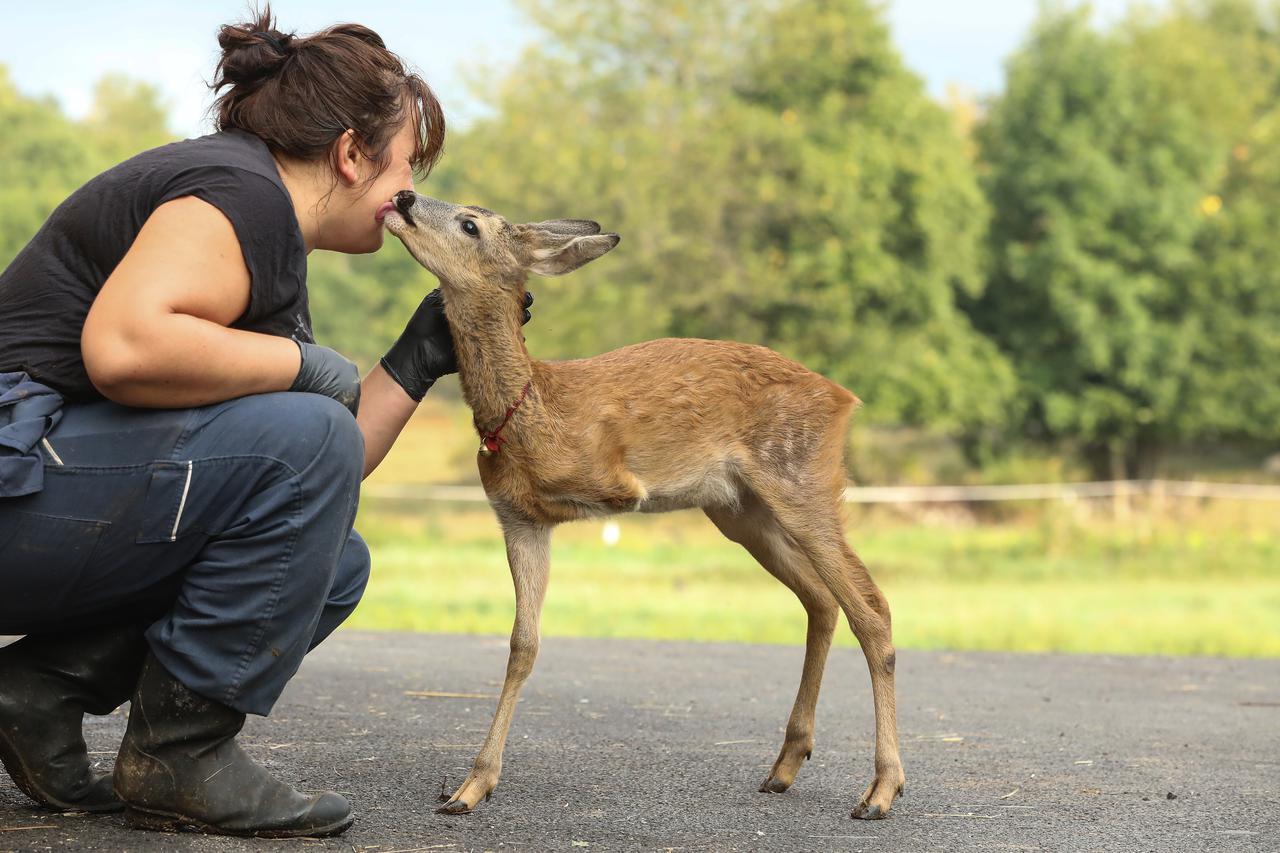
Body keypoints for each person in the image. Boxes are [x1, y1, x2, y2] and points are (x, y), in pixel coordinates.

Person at [0, 6, 530, 839]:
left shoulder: (267, 233)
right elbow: (124, 344)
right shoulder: (237, 190)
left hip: (38, 487)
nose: (409, 197)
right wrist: (309, 370)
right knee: (306, 437)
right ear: (351, 154)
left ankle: (39, 690)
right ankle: (180, 757)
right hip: (17, 474)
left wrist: (412, 362)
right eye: (405, 167)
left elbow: (315, 475)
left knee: (328, 561)